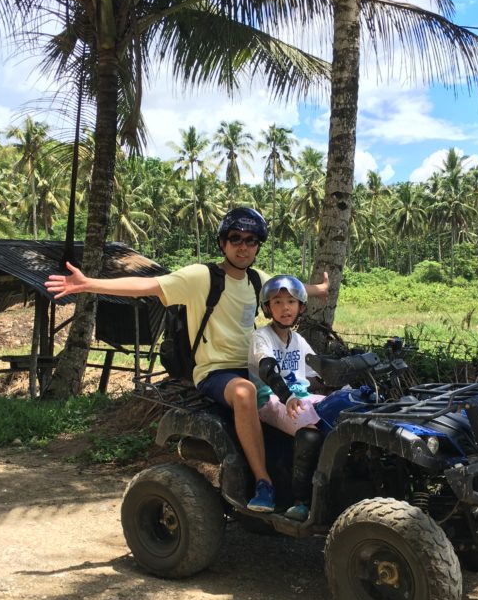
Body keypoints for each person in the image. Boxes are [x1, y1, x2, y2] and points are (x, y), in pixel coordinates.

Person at [44, 207, 328, 515]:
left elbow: (291, 288)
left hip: (253, 366)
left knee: (309, 397)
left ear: (258, 246)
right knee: (245, 392)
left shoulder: (257, 280)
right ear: (223, 243)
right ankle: (264, 483)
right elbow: (148, 286)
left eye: (251, 240)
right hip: (215, 371)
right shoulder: (200, 277)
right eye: (235, 239)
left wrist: (321, 290)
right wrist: (89, 284)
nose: (243, 246)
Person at [248, 275, 326, 521]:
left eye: (291, 302)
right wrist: (287, 396)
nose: (285, 308)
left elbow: (317, 373)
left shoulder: (298, 340)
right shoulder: (261, 337)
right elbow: (267, 369)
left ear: (300, 306)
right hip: (270, 399)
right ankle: (300, 500)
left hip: (299, 396)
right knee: (310, 432)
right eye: (278, 302)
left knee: (341, 414)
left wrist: (344, 384)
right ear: (267, 308)